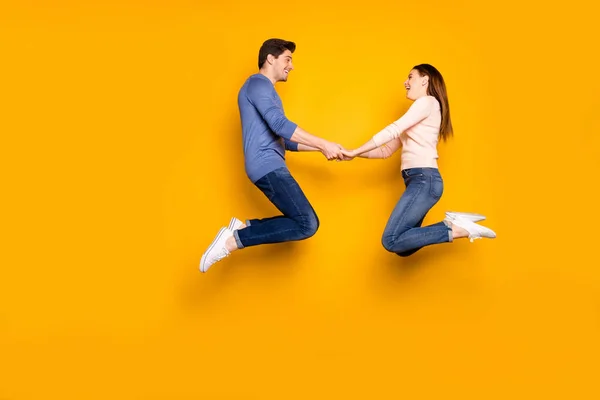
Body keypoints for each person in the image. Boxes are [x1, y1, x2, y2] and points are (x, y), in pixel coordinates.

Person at [200, 38, 344, 272]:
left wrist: (324, 149)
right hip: (266, 165)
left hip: (270, 164)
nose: (292, 66)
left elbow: (285, 140)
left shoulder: (265, 91)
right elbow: (280, 125)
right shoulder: (258, 84)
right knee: (307, 224)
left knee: (306, 223)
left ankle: (240, 230)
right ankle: (232, 241)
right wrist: (324, 143)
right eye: (288, 59)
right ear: (270, 58)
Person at [341, 64, 496, 257]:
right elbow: (386, 151)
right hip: (418, 180)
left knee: (390, 240)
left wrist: (357, 149)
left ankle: (457, 228)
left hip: (424, 179)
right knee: (403, 248)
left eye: (410, 77)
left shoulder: (428, 102)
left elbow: (393, 129)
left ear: (425, 80)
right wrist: (353, 154)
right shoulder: (419, 112)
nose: (405, 82)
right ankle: (451, 225)